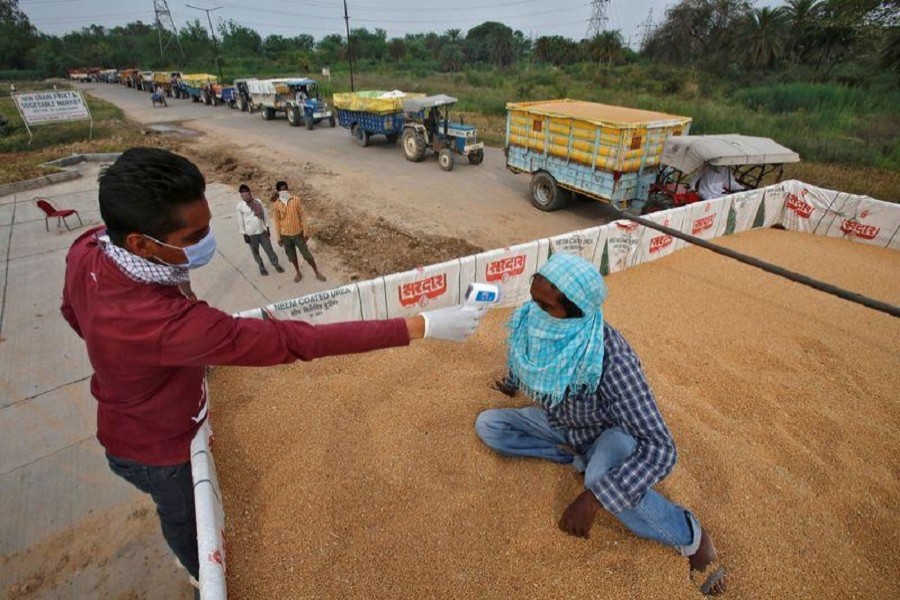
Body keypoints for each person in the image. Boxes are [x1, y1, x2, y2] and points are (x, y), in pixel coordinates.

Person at [60, 147, 487, 591]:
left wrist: (124, 360)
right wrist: (425, 324)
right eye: (195, 235)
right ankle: (196, 573)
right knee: (190, 524)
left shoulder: (89, 248)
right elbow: (297, 341)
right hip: (158, 450)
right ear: (141, 243)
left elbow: (72, 313)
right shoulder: (169, 326)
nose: (208, 240)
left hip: (121, 414)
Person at [474, 253, 726, 596]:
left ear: (577, 313)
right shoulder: (535, 321)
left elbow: (661, 448)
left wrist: (592, 500)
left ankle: (691, 537)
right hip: (561, 423)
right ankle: (580, 460)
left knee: (599, 480)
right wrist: (513, 381)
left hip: (607, 434)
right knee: (489, 426)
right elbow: (525, 354)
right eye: (534, 301)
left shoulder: (611, 359)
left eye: (546, 308)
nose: (536, 314)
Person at [272, 180, 326, 283]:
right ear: (278, 191)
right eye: (281, 190)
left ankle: (316, 272)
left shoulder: (296, 200)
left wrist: (305, 233)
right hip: (285, 236)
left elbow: (302, 217)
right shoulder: (276, 204)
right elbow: (277, 222)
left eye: (285, 189)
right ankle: (298, 272)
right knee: (292, 256)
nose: (283, 191)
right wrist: (279, 237)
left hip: (298, 234)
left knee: (307, 255)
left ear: (287, 189)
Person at [236, 183, 283, 276]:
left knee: (269, 249)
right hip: (250, 234)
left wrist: (268, 228)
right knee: (255, 252)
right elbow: (240, 221)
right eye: (242, 194)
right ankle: (261, 267)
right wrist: (244, 234)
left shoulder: (258, 202)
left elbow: (265, 216)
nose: (245, 195)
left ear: (250, 193)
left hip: (261, 231)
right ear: (241, 195)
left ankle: (276, 264)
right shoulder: (240, 206)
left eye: (246, 193)